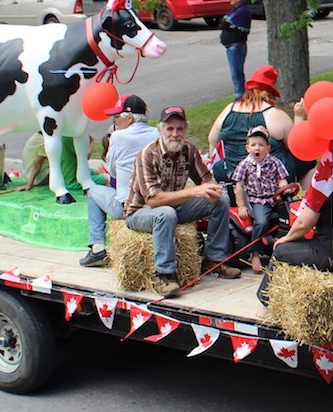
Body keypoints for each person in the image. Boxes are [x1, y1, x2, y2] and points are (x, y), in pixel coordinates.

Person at [123, 106, 241, 298]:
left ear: (185, 129)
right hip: (140, 212)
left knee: (221, 199)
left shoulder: (189, 150)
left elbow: (206, 178)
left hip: (173, 208)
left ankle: (215, 260)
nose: (175, 134)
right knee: (165, 213)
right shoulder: (148, 154)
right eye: (170, 129)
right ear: (160, 130)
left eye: (179, 129)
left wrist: (211, 188)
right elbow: (153, 200)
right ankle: (164, 275)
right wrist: (195, 191)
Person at [79, 94, 159, 268]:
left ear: (129, 117)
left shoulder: (118, 137)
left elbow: (112, 170)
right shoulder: (159, 134)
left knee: (92, 191)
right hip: (158, 202)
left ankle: (97, 248)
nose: (114, 121)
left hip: (128, 207)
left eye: (116, 117)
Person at [208, 65, 296, 184]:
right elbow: (295, 147)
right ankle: (308, 200)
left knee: (220, 165)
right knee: (307, 162)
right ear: (269, 94)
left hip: (231, 174)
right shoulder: (274, 114)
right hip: (268, 178)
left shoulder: (229, 109)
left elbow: (212, 140)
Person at [271, 136, 333, 273]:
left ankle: (266, 295)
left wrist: (286, 238)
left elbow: (303, 224)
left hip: (327, 252)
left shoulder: (324, 185)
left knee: (280, 251)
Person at [231, 126, 289, 271]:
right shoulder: (244, 165)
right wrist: (241, 206)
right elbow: (239, 186)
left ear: (267, 148)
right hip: (258, 201)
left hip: (275, 198)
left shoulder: (274, 162)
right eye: (253, 144)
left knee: (290, 218)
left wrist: (283, 188)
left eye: (261, 145)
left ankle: (285, 249)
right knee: (262, 221)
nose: (257, 148)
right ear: (247, 148)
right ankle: (254, 253)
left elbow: (282, 179)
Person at [220, 0, 253, 100]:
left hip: (236, 47)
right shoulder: (236, 10)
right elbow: (223, 22)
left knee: (236, 73)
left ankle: (240, 97)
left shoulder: (242, 11)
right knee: (236, 73)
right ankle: (241, 95)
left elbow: (224, 23)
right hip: (232, 47)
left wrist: (226, 22)